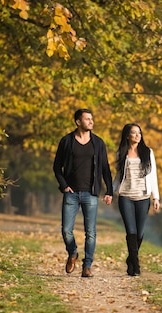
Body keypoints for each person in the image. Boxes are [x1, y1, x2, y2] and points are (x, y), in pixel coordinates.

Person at [53, 108, 113, 278]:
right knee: (66, 230)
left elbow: (105, 169)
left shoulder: (98, 143)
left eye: (91, 119)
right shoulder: (66, 141)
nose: (91, 122)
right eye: (87, 119)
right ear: (78, 122)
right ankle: (72, 253)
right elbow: (57, 167)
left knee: (91, 232)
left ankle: (87, 266)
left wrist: (109, 190)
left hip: (91, 193)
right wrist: (64, 185)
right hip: (71, 193)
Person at [113, 123, 160, 276]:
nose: (137, 135)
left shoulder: (148, 152)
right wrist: (110, 192)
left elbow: (153, 176)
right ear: (127, 135)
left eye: (139, 133)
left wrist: (156, 197)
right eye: (134, 133)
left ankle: (130, 260)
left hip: (143, 196)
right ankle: (136, 266)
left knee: (139, 233)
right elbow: (118, 176)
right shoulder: (121, 153)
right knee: (131, 231)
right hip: (125, 196)